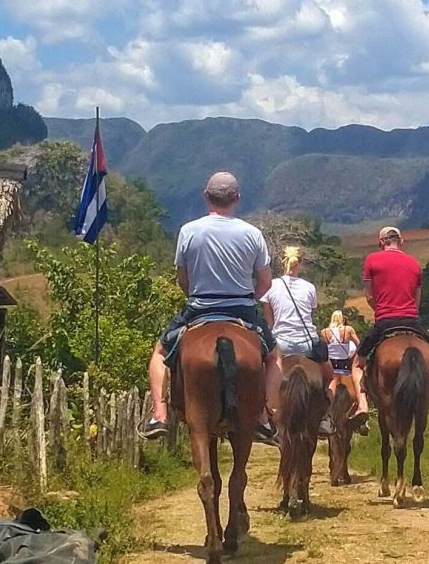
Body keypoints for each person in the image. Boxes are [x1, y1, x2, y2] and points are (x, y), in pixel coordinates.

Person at [139, 171, 282, 445]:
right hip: (242, 307)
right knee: (274, 356)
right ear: (237, 198)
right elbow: (265, 282)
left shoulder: (189, 231)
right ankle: (263, 415)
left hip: (200, 306)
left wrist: (195, 295)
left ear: (207, 196)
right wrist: (249, 298)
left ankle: (159, 414)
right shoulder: (252, 234)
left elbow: (183, 278)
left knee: (159, 353)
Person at [261, 245, 335, 436]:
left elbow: (269, 322)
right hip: (306, 343)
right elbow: (309, 317)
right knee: (327, 371)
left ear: (282, 262)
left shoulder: (271, 286)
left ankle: (263, 410)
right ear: (300, 263)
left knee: (259, 369)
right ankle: (325, 415)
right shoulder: (309, 287)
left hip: (281, 343)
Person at [357, 226, 429, 366]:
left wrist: (381, 309)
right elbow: (417, 301)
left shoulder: (372, 260)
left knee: (360, 360)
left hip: (385, 321)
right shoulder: (415, 264)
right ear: (401, 241)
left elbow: (369, 296)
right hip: (412, 321)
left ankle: (362, 387)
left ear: (381, 243)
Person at [321, 310, 371, 431]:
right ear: (342, 319)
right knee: (364, 381)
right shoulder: (348, 330)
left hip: (331, 367)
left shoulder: (324, 332)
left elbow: (322, 350)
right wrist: (354, 357)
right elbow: (360, 345)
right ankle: (362, 412)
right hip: (345, 366)